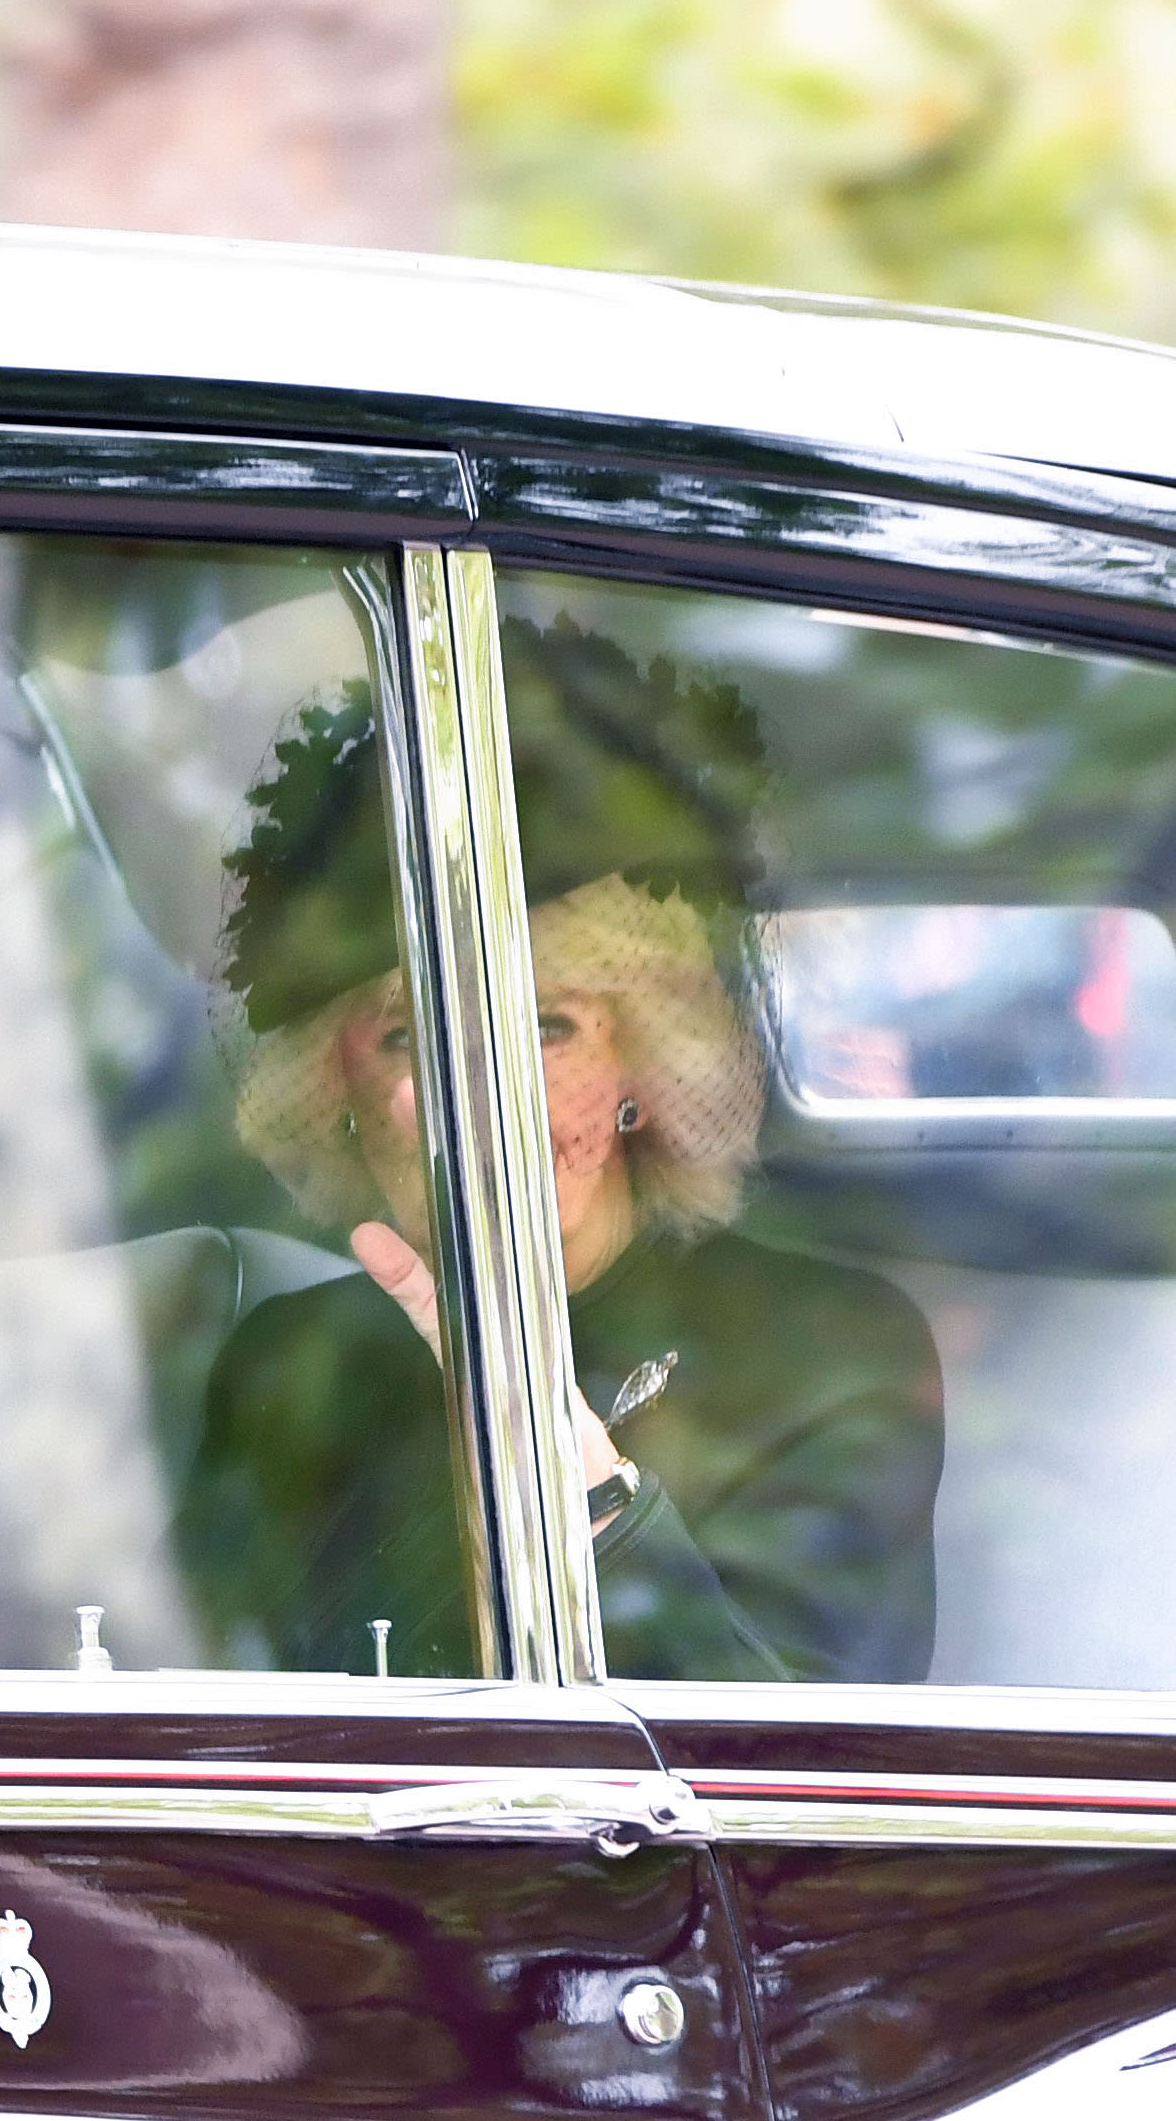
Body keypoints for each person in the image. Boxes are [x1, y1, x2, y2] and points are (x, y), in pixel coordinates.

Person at [177, 620, 944, 1682]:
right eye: (408, 1034)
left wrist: (580, 1495)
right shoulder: (284, 1370)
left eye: (547, 1028)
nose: (481, 1093)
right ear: (340, 1096)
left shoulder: (829, 1353)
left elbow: (811, 1802)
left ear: (646, 1069)